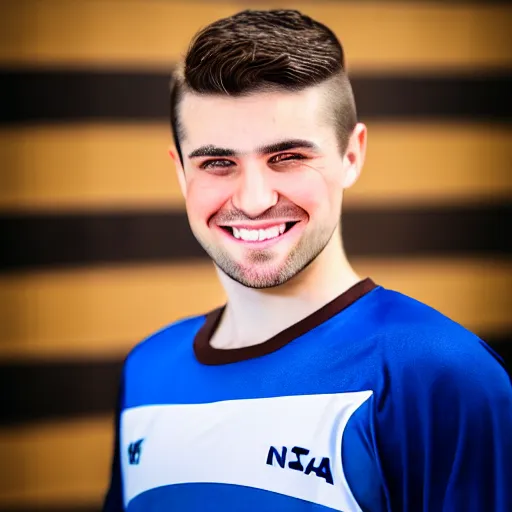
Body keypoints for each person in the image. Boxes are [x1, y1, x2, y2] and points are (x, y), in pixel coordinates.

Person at [103, 9, 512, 512]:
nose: (253, 200)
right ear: (181, 173)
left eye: (288, 157)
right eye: (217, 162)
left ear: (352, 155)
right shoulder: (146, 369)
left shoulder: (439, 372)